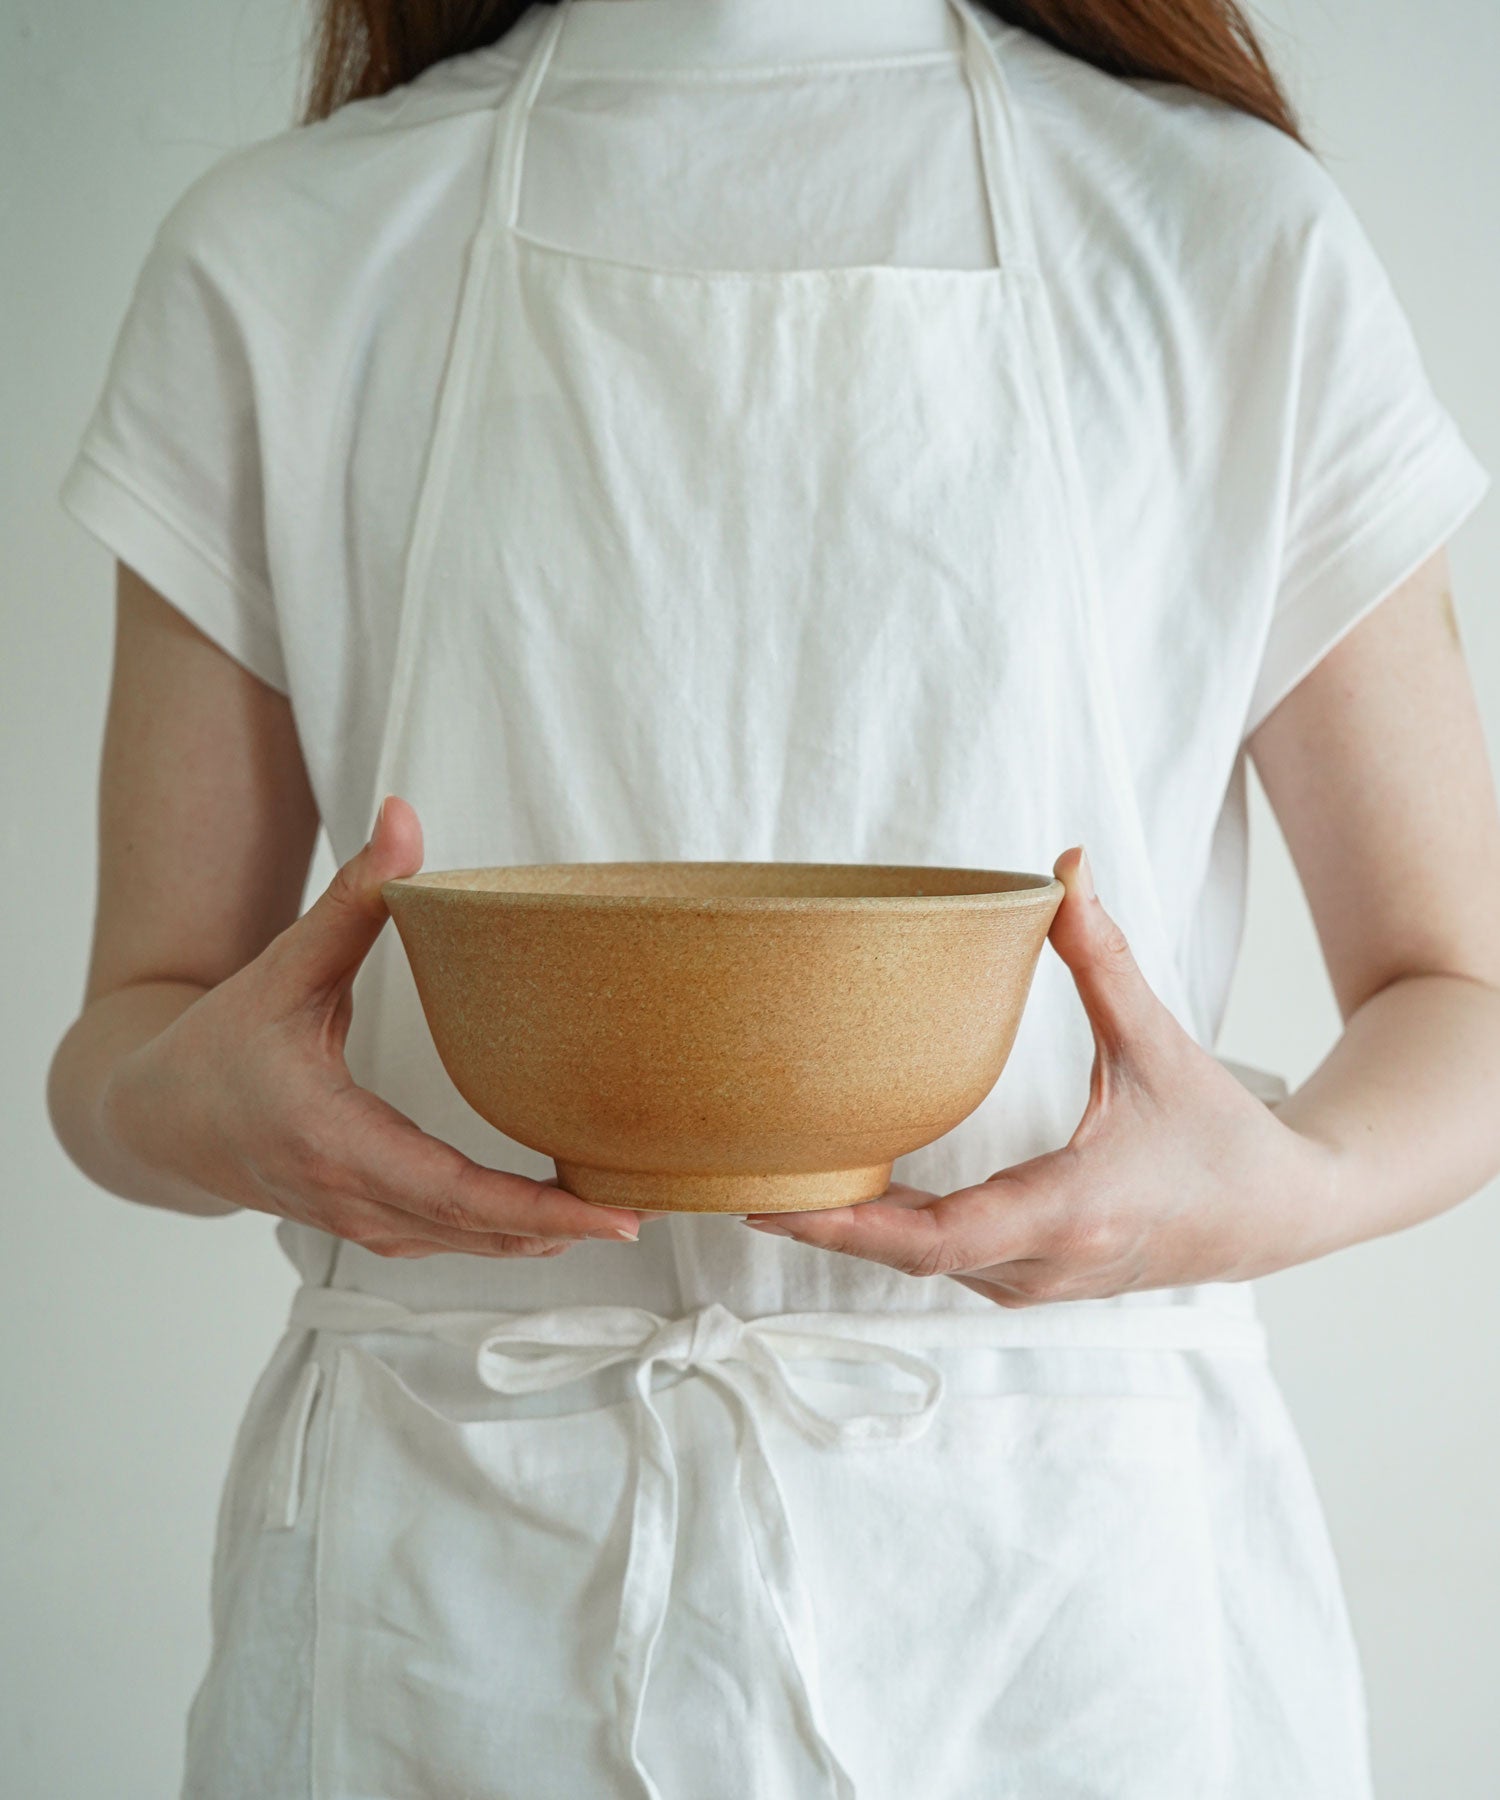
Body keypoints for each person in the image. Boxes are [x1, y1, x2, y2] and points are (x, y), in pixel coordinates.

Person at [46, 0, 1500, 1794]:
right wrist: (207, 1107)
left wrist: (1278, 1188)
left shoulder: (1228, 234)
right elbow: (131, 1030)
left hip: (1061, 1594)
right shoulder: (282, 256)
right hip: (455, 1581)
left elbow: (1462, 996)